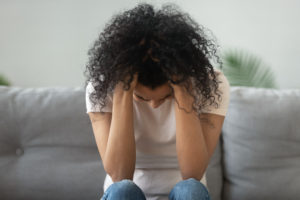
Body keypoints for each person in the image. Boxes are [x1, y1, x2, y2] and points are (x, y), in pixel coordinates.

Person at [84, 3, 230, 200]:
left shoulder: (211, 85)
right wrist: (122, 94)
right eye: (141, 97)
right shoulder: (102, 87)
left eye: (166, 96)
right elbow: (119, 175)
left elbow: (193, 173)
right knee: (122, 190)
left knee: (191, 190)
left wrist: (183, 91)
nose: (153, 105)